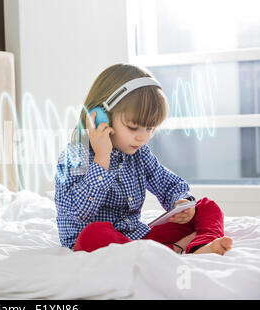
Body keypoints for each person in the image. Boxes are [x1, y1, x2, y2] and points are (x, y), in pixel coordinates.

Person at [54, 63, 233, 255]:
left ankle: (198, 246)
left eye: (149, 128)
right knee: (95, 234)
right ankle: (173, 249)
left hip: (136, 237)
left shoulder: (138, 152)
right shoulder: (75, 155)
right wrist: (102, 158)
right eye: (133, 127)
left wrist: (180, 202)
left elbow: (167, 182)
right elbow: (80, 211)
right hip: (94, 242)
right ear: (100, 118)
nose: (143, 138)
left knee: (206, 207)